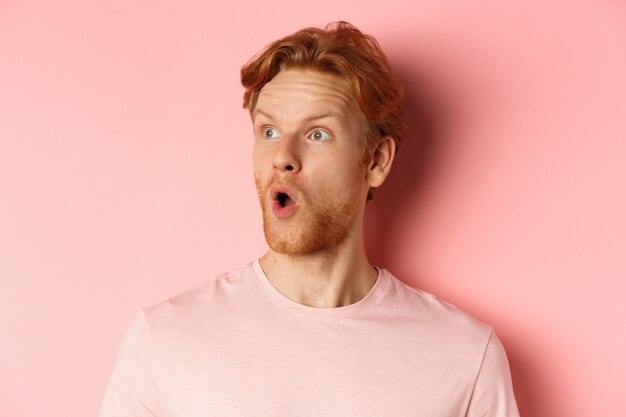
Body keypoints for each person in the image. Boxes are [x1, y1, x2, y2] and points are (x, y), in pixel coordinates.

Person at [99, 21, 520, 417]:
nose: (282, 157)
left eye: (317, 134)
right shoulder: (165, 340)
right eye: (268, 132)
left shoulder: (463, 354)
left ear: (375, 160)